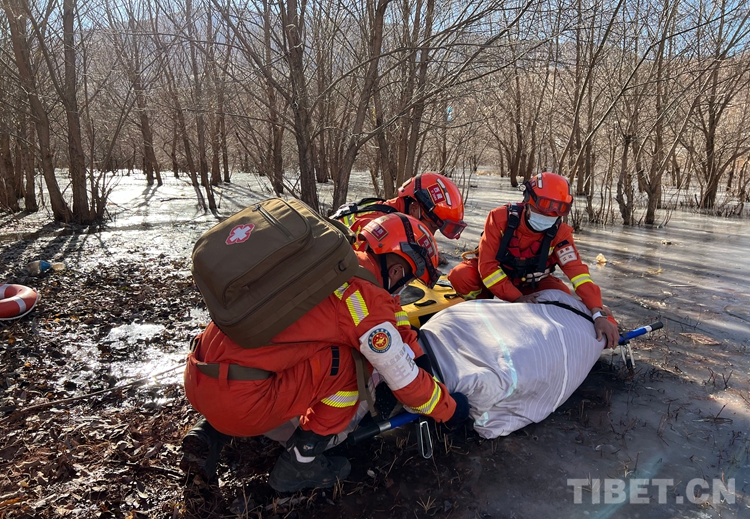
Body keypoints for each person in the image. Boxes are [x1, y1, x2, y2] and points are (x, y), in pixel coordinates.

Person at [181, 213, 469, 492]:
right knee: (353, 365)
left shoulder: (333, 262)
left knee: (284, 351)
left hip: (200, 375)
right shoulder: (364, 299)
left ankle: (211, 431)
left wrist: (416, 351)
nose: (401, 291)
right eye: (406, 282)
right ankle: (301, 461)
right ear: (396, 272)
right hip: (240, 405)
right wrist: (450, 410)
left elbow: (390, 312)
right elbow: (404, 381)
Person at [447, 172, 619, 348]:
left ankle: (605, 317)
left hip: (533, 283)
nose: (550, 214)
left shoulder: (560, 233)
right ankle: (481, 311)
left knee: (565, 300)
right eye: (545, 205)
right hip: (496, 281)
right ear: (528, 199)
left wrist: (598, 313)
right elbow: (488, 268)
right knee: (461, 276)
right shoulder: (499, 219)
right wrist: (517, 298)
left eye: (559, 209)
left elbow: (578, 273)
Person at [332, 172, 467, 247]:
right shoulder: (378, 229)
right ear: (414, 208)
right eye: (432, 227)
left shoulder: (392, 216)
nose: (431, 235)